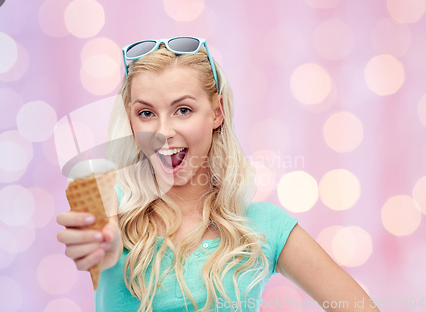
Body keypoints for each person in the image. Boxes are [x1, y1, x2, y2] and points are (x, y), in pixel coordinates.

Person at [57, 37, 380, 312]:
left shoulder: (264, 226)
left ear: (216, 112)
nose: (162, 131)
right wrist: (104, 243)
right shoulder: (112, 204)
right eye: (146, 113)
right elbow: (104, 240)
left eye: (183, 110)